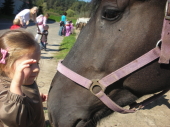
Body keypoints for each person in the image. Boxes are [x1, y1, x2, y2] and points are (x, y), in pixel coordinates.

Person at [0, 30, 47, 127]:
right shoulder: (4, 90)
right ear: (5, 66)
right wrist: (16, 85)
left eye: (37, 63)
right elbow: (13, 119)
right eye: (29, 65)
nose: (36, 69)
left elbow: (25, 94)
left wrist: (36, 97)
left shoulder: (25, 81)